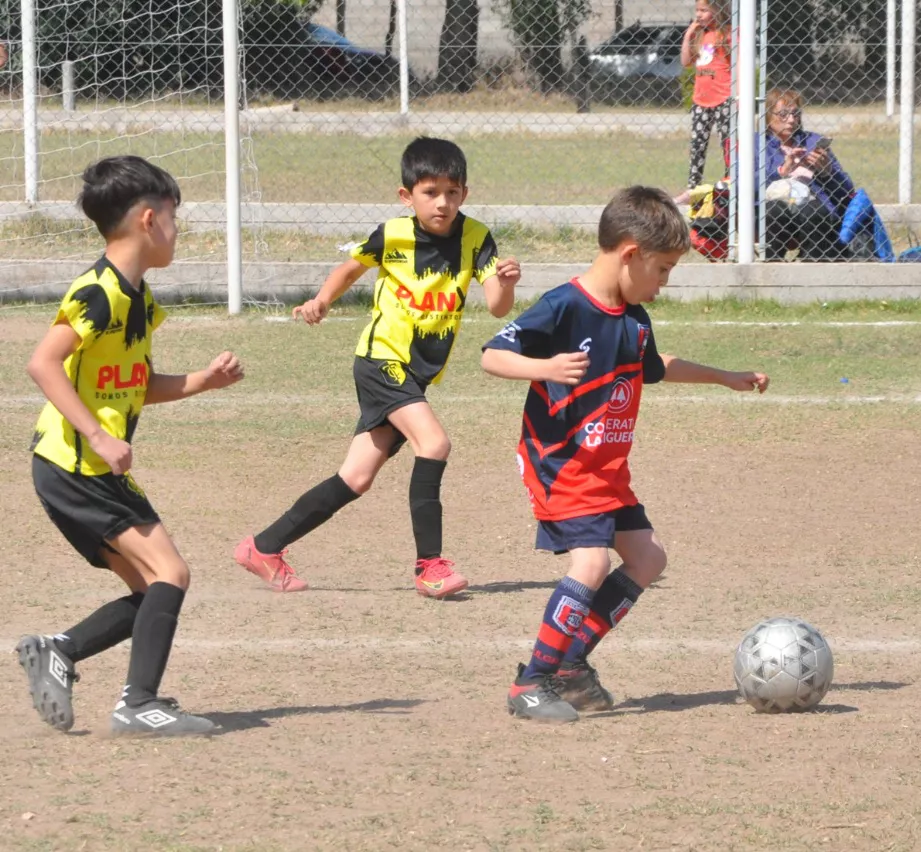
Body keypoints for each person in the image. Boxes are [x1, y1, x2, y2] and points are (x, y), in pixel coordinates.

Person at [480, 186, 770, 723]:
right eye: (662, 270)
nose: (664, 284)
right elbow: (493, 356)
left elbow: (656, 365)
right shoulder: (564, 306)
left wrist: (723, 377)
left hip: (606, 469)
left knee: (648, 559)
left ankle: (569, 665)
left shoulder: (634, 317)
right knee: (590, 563)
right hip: (562, 463)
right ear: (630, 252)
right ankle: (531, 681)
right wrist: (545, 368)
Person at [234, 137, 521, 598]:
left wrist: (505, 284)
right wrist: (321, 300)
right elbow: (351, 268)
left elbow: (495, 307)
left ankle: (263, 547)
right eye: (430, 192)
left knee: (356, 478)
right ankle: (430, 566)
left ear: (464, 193)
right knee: (435, 443)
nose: (442, 203)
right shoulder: (393, 234)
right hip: (381, 361)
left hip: (415, 372)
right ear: (407, 196)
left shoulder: (476, 238)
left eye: (452, 192)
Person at [17, 155, 244, 736]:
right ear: (149, 219)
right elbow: (43, 364)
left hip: (84, 467)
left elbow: (135, 384)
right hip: (76, 463)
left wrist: (203, 381)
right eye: (174, 217)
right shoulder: (100, 294)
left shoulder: (137, 299)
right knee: (171, 572)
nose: (177, 231)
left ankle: (59, 649)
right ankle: (138, 703)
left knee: (151, 589)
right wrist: (96, 433)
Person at [762, 88, 857, 261]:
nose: (791, 120)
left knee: (814, 210)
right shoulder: (756, 144)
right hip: (773, 206)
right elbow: (743, 184)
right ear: (768, 116)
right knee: (774, 210)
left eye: (795, 114)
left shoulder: (812, 141)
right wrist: (782, 171)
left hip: (810, 205)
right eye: (783, 114)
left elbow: (847, 190)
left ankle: (813, 263)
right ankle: (771, 262)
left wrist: (827, 172)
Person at [680, 0, 732, 199]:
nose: (699, 15)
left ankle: (730, 182)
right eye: (697, 11)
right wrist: (688, 35)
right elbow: (686, 62)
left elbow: (737, 62)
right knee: (697, 144)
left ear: (717, 11)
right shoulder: (700, 35)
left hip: (723, 98)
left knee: (727, 143)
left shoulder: (726, 33)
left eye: (704, 10)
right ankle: (693, 186)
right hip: (701, 100)